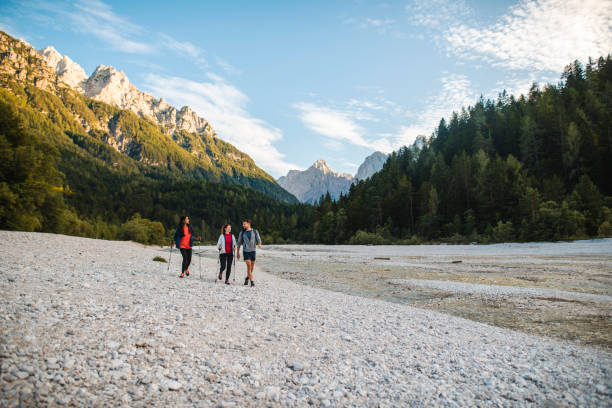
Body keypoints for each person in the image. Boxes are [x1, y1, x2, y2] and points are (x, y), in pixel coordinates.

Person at [236, 219, 262, 287]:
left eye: (244, 224)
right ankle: (252, 282)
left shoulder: (255, 231)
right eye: (243, 224)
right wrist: (237, 253)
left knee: (251, 269)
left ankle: (247, 277)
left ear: (248, 224)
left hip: (253, 251)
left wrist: (259, 243)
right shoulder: (242, 233)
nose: (243, 225)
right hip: (246, 252)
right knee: (249, 266)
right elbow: (238, 243)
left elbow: (258, 239)